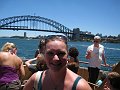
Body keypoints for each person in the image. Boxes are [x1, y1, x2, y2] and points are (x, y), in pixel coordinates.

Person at [23, 35, 92, 90]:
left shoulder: (81, 86)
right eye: (50, 53)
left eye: (61, 53)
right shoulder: (35, 79)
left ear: (67, 55)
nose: (55, 59)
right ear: (44, 55)